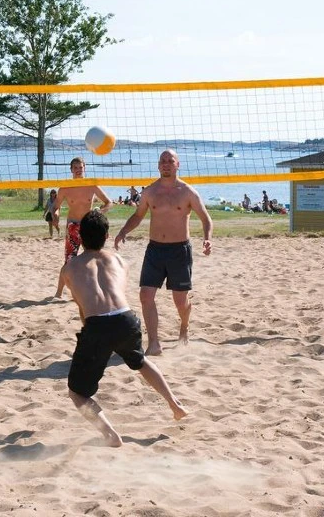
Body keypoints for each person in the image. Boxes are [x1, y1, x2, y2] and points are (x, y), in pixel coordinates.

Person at [58, 210, 188, 447]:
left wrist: (92, 335)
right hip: (126, 318)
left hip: (97, 324)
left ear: (80, 236)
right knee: (139, 360)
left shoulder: (69, 268)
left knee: (77, 393)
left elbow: (83, 308)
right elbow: (115, 291)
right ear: (107, 235)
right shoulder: (119, 261)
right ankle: (174, 403)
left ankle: (109, 434)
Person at [114, 149, 213, 355]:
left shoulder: (188, 192)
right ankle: (154, 343)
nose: (166, 164)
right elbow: (138, 215)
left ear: (178, 165)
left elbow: (206, 218)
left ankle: (184, 326)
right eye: (163, 161)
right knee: (145, 295)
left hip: (179, 251)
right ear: (158, 166)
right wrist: (123, 231)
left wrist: (207, 238)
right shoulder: (150, 191)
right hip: (155, 249)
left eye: (170, 160)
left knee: (180, 301)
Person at [52, 157, 113, 297]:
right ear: (71, 170)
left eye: (81, 167)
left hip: (89, 226)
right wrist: (55, 215)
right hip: (72, 226)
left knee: (93, 259)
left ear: (85, 168)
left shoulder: (92, 185)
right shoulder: (65, 187)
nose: (78, 170)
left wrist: (99, 212)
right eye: (75, 168)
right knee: (68, 261)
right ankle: (58, 293)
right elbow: (56, 206)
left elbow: (109, 202)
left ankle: (97, 290)